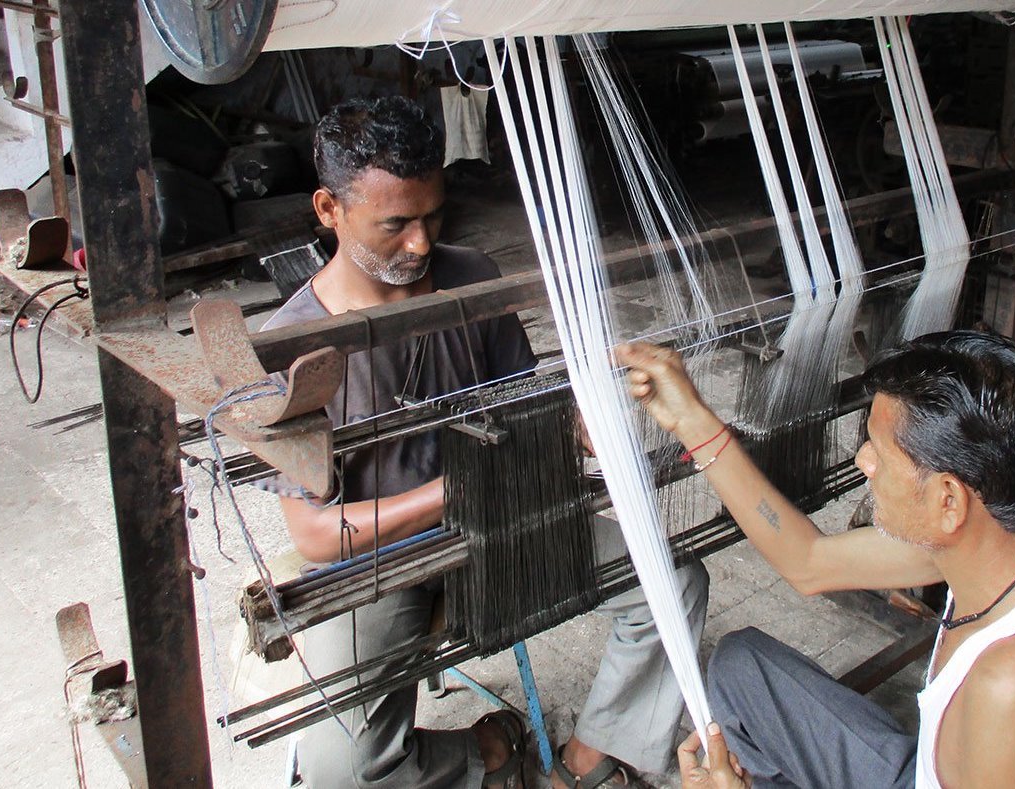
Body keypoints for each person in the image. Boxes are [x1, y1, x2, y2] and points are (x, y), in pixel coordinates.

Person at [258, 96, 709, 789]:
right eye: (395, 223)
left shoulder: (470, 274)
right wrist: (452, 489)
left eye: (433, 215)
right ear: (328, 209)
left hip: (502, 518)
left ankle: (590, 754)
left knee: (672, 586)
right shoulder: (294, 348)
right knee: (341, 775)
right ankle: (486, 750)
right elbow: (318, 536)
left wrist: (577, 424)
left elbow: (522, 399)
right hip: (380, 558)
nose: (419, 242)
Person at [616, 332, 1015, 788]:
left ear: (948, 500)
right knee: (740, 666)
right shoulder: (1001, 538)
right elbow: (810, 561)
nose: (862, 460)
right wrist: (689, 419)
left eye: (879, 452)